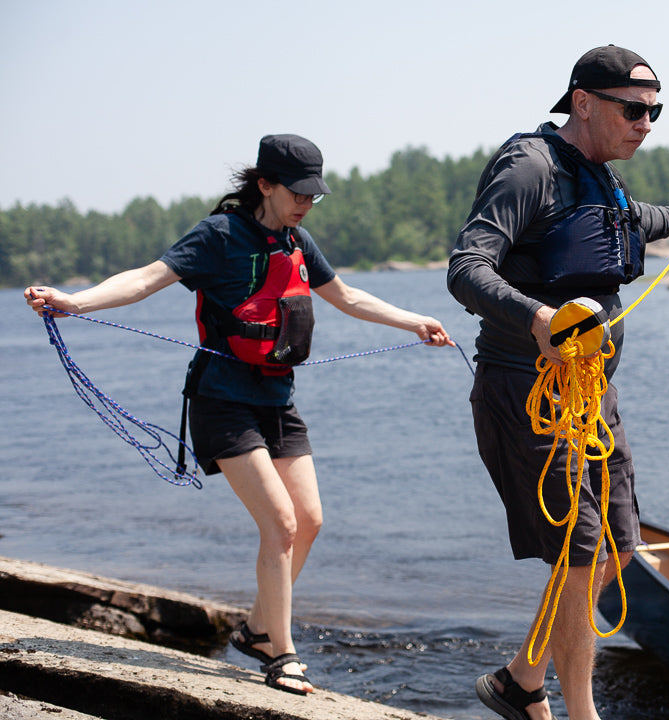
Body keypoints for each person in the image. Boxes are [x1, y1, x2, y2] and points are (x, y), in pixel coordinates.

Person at [26, 133, 453, 696]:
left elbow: (345, 297)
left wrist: (413, 319)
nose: (304, 202)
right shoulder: (218, 235)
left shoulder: (298, 239)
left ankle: (255, 629)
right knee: (280, 524)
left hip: (278, 400)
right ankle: (283, 654)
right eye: (296, 192)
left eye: (313, 194)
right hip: (222, 401)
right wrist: (75, 300)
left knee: (310, 520)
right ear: (265, 184)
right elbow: (145, 279)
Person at [447, 46, 669, 720]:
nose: (647, 123)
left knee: (618, 548)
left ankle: (519, 679)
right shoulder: (528, 166)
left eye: (656, 111)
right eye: (634, 109)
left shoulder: (603, 174)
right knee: (581, 557)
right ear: (583, 102)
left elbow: (623, 220)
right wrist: (535, 317)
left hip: (593, 399)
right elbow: (467, 266)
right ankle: (577, 713)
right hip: (528, 393)